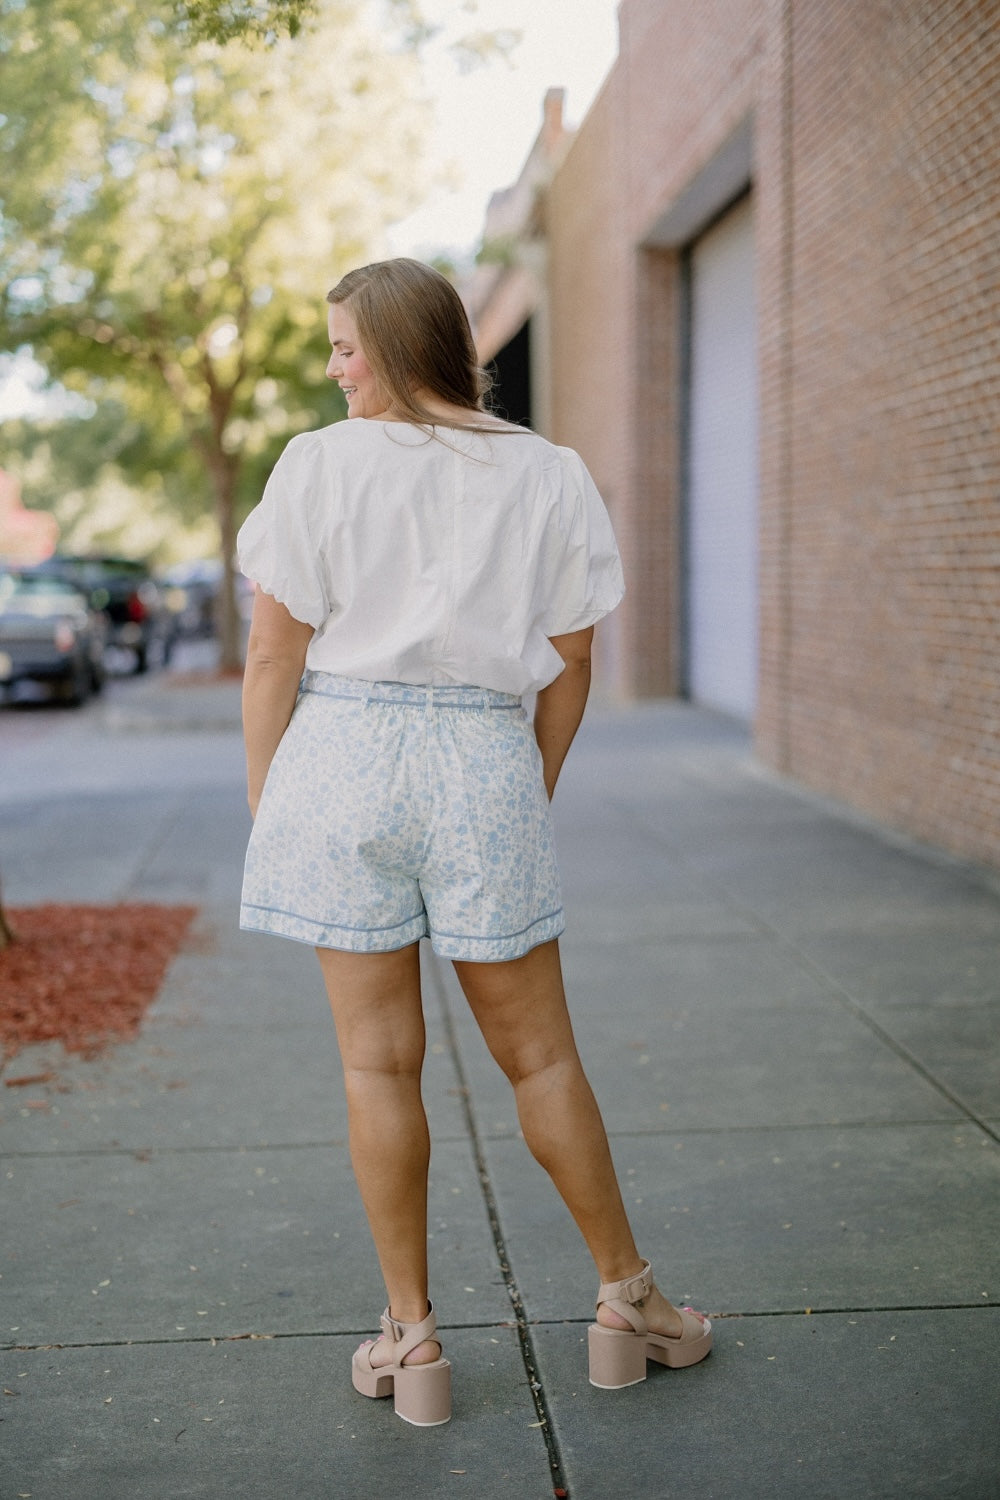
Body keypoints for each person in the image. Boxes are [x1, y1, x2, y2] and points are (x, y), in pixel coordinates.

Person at [237, 257, 711, 1427]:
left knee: (373, 1062)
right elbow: (575, 660)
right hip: (483, 758)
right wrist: (520, 791)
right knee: (541, 1058)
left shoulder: (315, 466)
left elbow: (272, 657)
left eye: (345, 346)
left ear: (399, 350)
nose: (334, 367)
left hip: (340, 760)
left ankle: (413, 1342)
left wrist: (274, 802)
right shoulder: (548, 473)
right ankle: (628, 1305)